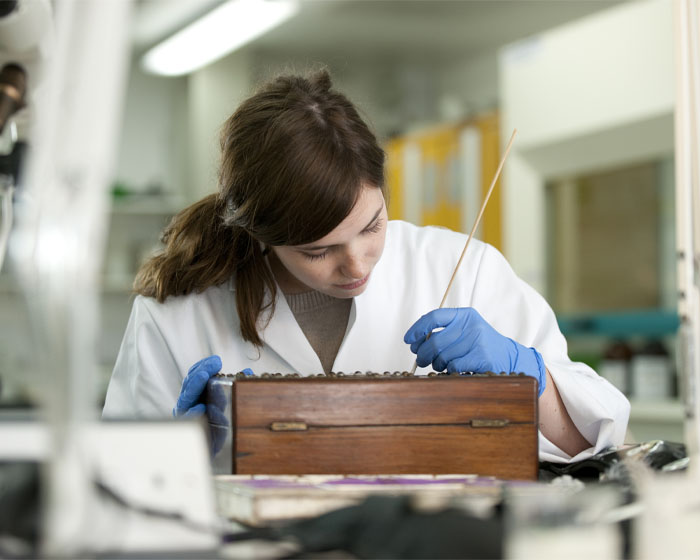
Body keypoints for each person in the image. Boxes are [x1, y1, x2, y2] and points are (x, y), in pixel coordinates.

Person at [102, 70, 629, 463]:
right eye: (317, 251)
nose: (356, 264)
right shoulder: (180, 311)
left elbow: (596, 439)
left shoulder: (460, 268)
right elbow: (116, 495)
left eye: (372, 225)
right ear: (261, 237)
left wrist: (528, 378)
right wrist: (176, 459)